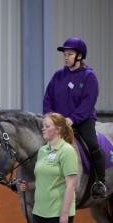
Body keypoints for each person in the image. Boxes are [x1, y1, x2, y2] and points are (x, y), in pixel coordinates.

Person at [43, 36, 106, 199]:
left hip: (82, 120)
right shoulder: (58, 76)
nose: (66, 57)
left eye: (69, 54)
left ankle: (100, 182)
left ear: (79, 56)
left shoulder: (89, 76)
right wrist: (50, 118)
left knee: (93, 146)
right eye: (65, 54)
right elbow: (48, 97)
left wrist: (72, 119)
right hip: (58, 123)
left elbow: (88, 102)